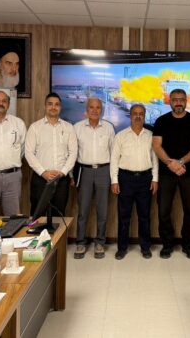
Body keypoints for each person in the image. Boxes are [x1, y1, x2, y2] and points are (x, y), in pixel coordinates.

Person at [152, 88, 190, 259]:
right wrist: (171, 164)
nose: (178, 103)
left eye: (181, 99)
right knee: (163, 211)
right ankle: (167, 244)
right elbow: (156, 145)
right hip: (166, 174)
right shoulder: (161, 121)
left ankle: (188, 245)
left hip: (189, 174)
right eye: (175, 100)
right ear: (170, 101)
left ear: (186, 101)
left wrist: (180, 162)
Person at [110, 104, 158, 260]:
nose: (138, 116)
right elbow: (114, 160)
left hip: (145, 179)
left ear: (144, 116)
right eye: (135, 114)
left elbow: (155, 159)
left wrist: (155, 179)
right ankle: (122, 248)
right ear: (130, 116)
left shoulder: (151, 136)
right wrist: (114, 181)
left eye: (141, 114)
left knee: (144, 216)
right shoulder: (121, 136)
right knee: (124, 216)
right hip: (125, 179)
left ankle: (145, 247)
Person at [25, 92, 77, 222]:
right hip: (40, 178)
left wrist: (63, 172)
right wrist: (43, 173)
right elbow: (29, 153)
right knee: (38, 215)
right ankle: (38, 236)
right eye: (50, 104)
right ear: (45, 106)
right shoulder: (35, 127)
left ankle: (57, 237)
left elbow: (73, 153)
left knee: (59, 215)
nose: (53, 107)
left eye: (56, 104)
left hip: (61, 179)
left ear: (60, 107)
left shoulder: (69, 128)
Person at [73, 97, 115, 259]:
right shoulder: (77, 128)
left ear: (101, 110)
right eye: (92, 107)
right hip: (84, 171)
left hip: (104, 171)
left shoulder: (108, 128)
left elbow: (113, 153)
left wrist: (114, 177)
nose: (95, 110)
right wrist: (71, 175)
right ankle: (80, 242)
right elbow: (72, 153)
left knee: (102, 210)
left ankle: (100, 242)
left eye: (98, 107)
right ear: (87, 109)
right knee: (83, 210)